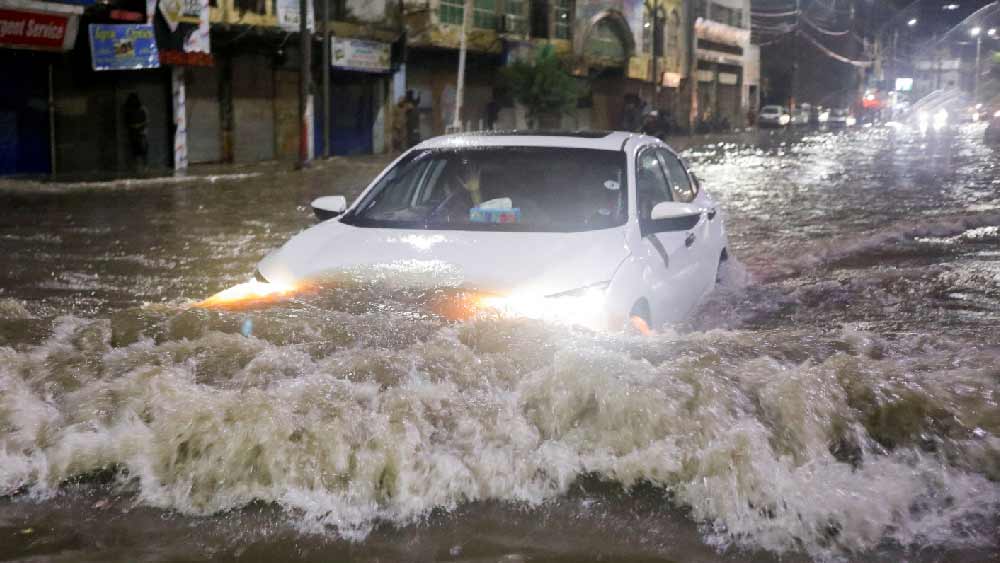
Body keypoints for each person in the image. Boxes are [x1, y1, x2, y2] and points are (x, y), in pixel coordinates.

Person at [123, 93, 148, 170]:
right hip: (133, 134)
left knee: (143, 151)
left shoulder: (142, 109)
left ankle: (144, 167)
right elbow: (126, 122)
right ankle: (136, 168)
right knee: (135, 152)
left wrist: (141, 128)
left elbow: (146, 121)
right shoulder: (128, 110)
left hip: (141, 133)